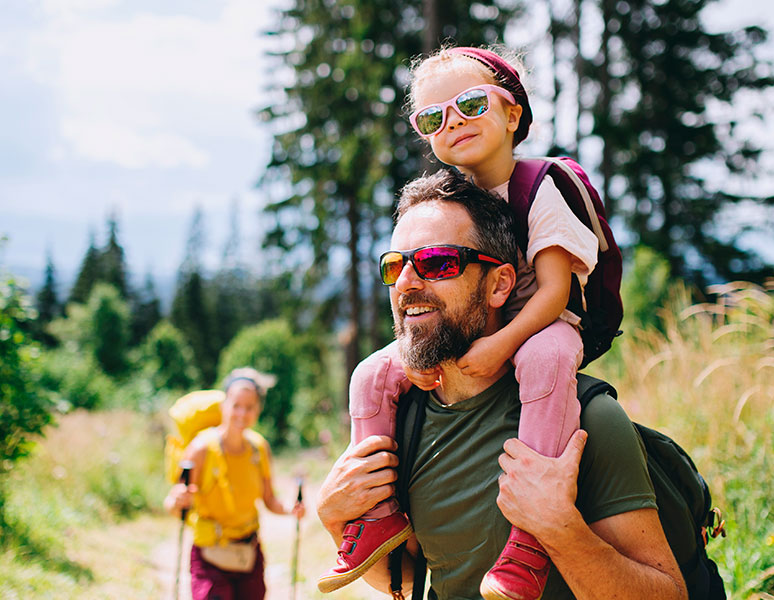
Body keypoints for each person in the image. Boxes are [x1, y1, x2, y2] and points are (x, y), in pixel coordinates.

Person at [317, 169, 687, 600]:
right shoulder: (405, 421)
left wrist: (558, 530)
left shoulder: (590, 422)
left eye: (438, 263)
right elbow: (410, 578)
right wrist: (335, 519)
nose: (407, 283)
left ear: (499, 284)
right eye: (396, 266)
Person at [318, 45, 600, 600]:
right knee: (371, 375)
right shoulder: (458, 200)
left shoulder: (541, 186)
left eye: (471, 104)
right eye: (432, 117)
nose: (453, 122)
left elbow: (554, 290)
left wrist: (500, 344)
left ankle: (530, 536)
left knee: (546, 357)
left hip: (542, 324)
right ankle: (374, 514)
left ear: (513, 113)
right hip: (482, 330)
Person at [164, 368, 306, 600]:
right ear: (224, 406)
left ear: (257, 410)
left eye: (249, 407)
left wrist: (290, 509)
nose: (242, 413)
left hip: (248, 555)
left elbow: (269, 500)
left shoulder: (259, 448)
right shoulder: (201, 449)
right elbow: (173, 503)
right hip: (210, 558)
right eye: (236, 405)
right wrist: (176, 500)